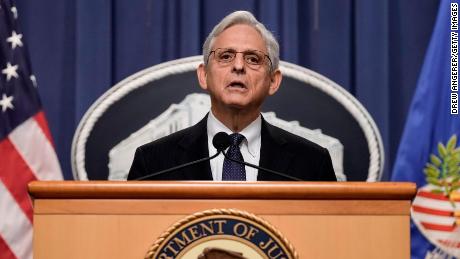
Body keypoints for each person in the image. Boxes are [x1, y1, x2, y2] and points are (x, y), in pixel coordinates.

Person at [127, 11, 336, 181]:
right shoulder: (154, 163)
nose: (238, 66)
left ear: (273, 81)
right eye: (225, 56)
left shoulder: (312, 164)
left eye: (253, 59)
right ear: (204, 75)